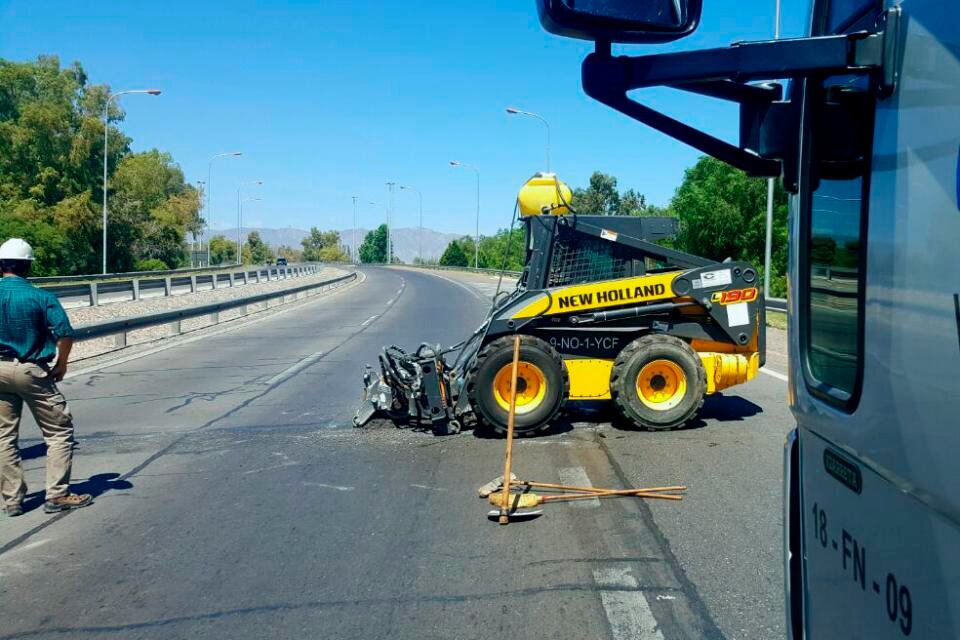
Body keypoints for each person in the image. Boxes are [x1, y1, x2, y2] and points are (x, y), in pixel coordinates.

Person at [0, 238, 92, 516]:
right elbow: (65, 332)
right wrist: (61, 364)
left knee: (3, 437)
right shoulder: (40, 296)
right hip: (32, 369)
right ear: (28, 266)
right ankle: (57, 494)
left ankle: (12, 500)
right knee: (58, 431)